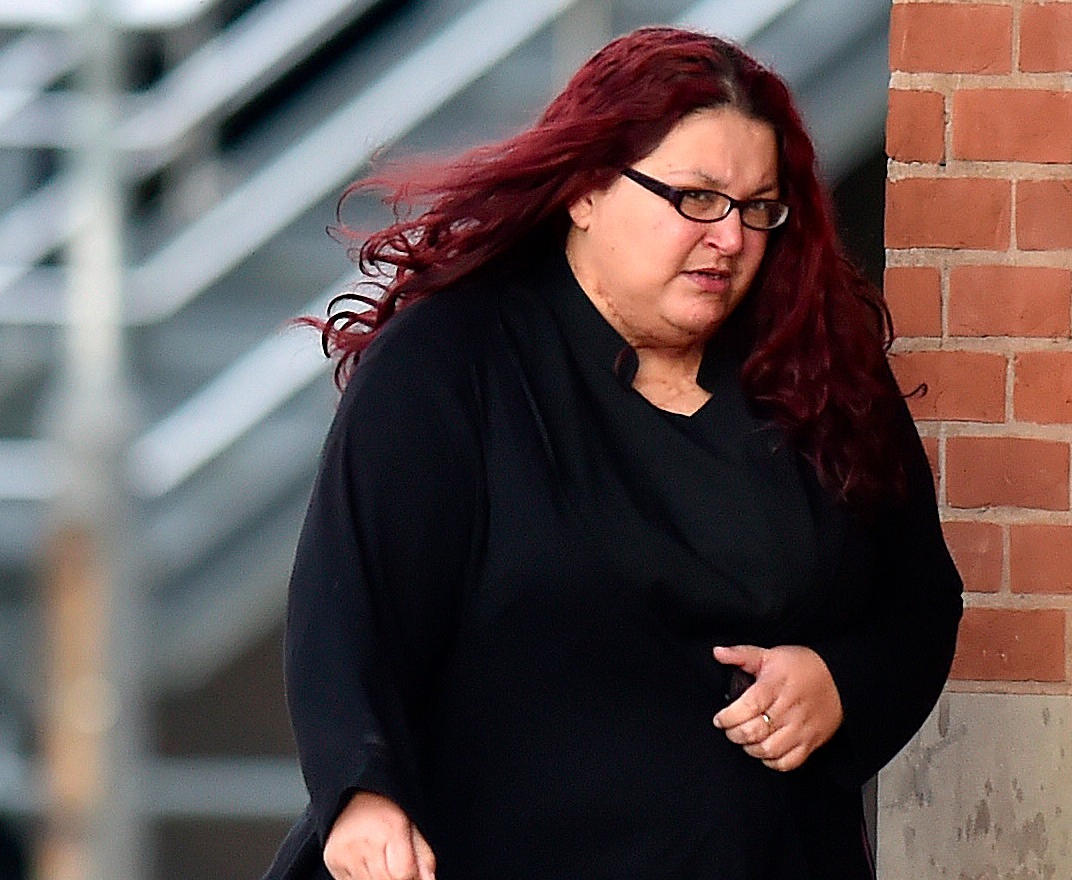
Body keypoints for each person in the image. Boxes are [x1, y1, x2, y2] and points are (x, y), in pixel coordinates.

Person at [260, 26, 963, 880]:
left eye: (758, 208)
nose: (730, 237)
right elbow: (349, 612)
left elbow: (917, 599)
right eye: (696, 198)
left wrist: (840, 682)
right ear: (588, 189)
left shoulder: (818, 371)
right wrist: (364, 797)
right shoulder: (452, 363)